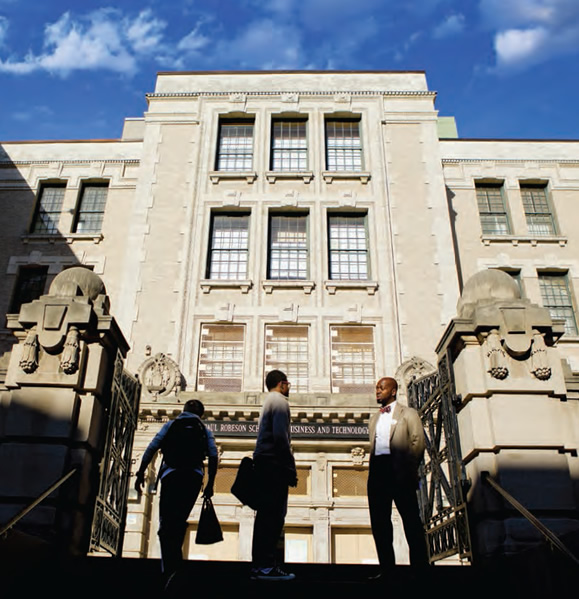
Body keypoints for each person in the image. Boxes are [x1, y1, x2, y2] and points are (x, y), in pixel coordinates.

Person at [134, 399, 218, 582]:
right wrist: (210, 483)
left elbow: (152, 447)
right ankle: (175, 566)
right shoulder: (204, 429)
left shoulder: (171, 425)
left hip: (171, 476)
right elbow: (213, 455)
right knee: (179, 520)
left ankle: (171, 567)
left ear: (183, 410)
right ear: (201, 414)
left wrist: (140, 472)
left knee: (166, 523)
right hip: (193, 478)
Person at [367, 376, 428, 578]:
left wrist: (408, 470)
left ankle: (419, 569)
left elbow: (417, 442)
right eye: (377, 388)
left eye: (382, 388)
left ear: (393, 391)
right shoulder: (374, 418)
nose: (378, 391)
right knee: (380, 524)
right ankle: (387, 569)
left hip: (400, 472)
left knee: (410, 520)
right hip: (378, 473)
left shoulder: (408, 413)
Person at [250, 369, 297, 581]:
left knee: (265, 516)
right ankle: (266, 566)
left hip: (265, 463)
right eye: (288, 384)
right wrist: (289, 467)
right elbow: (280, 438)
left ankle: (261, 565)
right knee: (273, 515)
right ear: (282, 384)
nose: (290, 388)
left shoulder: (268, 402)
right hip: (273, 465)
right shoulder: (279, 402)